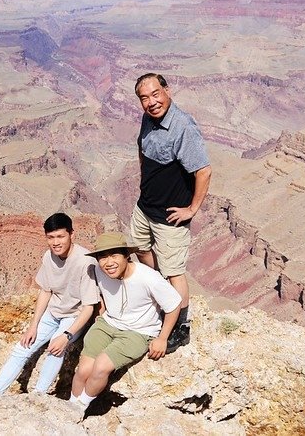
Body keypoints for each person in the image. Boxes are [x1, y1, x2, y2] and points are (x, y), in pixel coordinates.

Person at [0, 213, 99, 407]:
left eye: (60, 236)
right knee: (21, 349)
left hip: (74, 316)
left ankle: (37, 397)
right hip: (53, 312)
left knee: (56, 350)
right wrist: (34, 325)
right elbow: (45, 292)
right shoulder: (49, 256)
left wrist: (66, 335)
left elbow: (89, 307)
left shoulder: (86, 261)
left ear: (71, 234)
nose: (55, 242)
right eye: (51, 237)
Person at [129, 73, 212, 352]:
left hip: (169, 216)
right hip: (145, 207)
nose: (151, 102)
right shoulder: (148, 120)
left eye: (155, 94)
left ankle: (180, 326)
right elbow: (143, 151)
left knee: (174, 272)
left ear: (167, 90)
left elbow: (203, 170)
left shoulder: (182, 127)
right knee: (140, 249)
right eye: (144, 98)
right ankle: (160, 298)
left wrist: (192, 209)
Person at [69, 232, 181, 414]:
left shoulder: (147, 277)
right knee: (83, 370)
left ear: (126, 256)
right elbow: (102, 293)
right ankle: (69, 407)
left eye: (114, 255)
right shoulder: (99, 270)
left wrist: (162, 338)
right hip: (108, 324)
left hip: (138, 332)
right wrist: (101, 314)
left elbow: (174, 304)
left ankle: (79, 408)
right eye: (103, 257)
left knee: (100, 368)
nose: (108, 262)